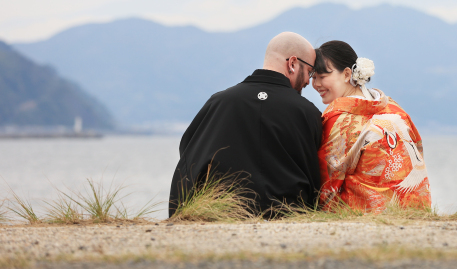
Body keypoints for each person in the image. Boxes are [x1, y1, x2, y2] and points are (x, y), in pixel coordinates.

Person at [168, 32, 322, 218]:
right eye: (310, 72)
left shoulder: (218, 103)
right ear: (293, 63)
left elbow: (188, 158)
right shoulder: (308, 113)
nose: (308, 81)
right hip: (288, 219)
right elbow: (316, 176)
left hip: (219, 217)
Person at [312, 40, 431, 212]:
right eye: (313, 77)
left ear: (347, 74)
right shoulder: (395, 109)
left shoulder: (338, 119)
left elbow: (328, 179)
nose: (316, 84)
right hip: (415, 205)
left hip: (368, 210)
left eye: (322, 77)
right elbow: (417, 150)